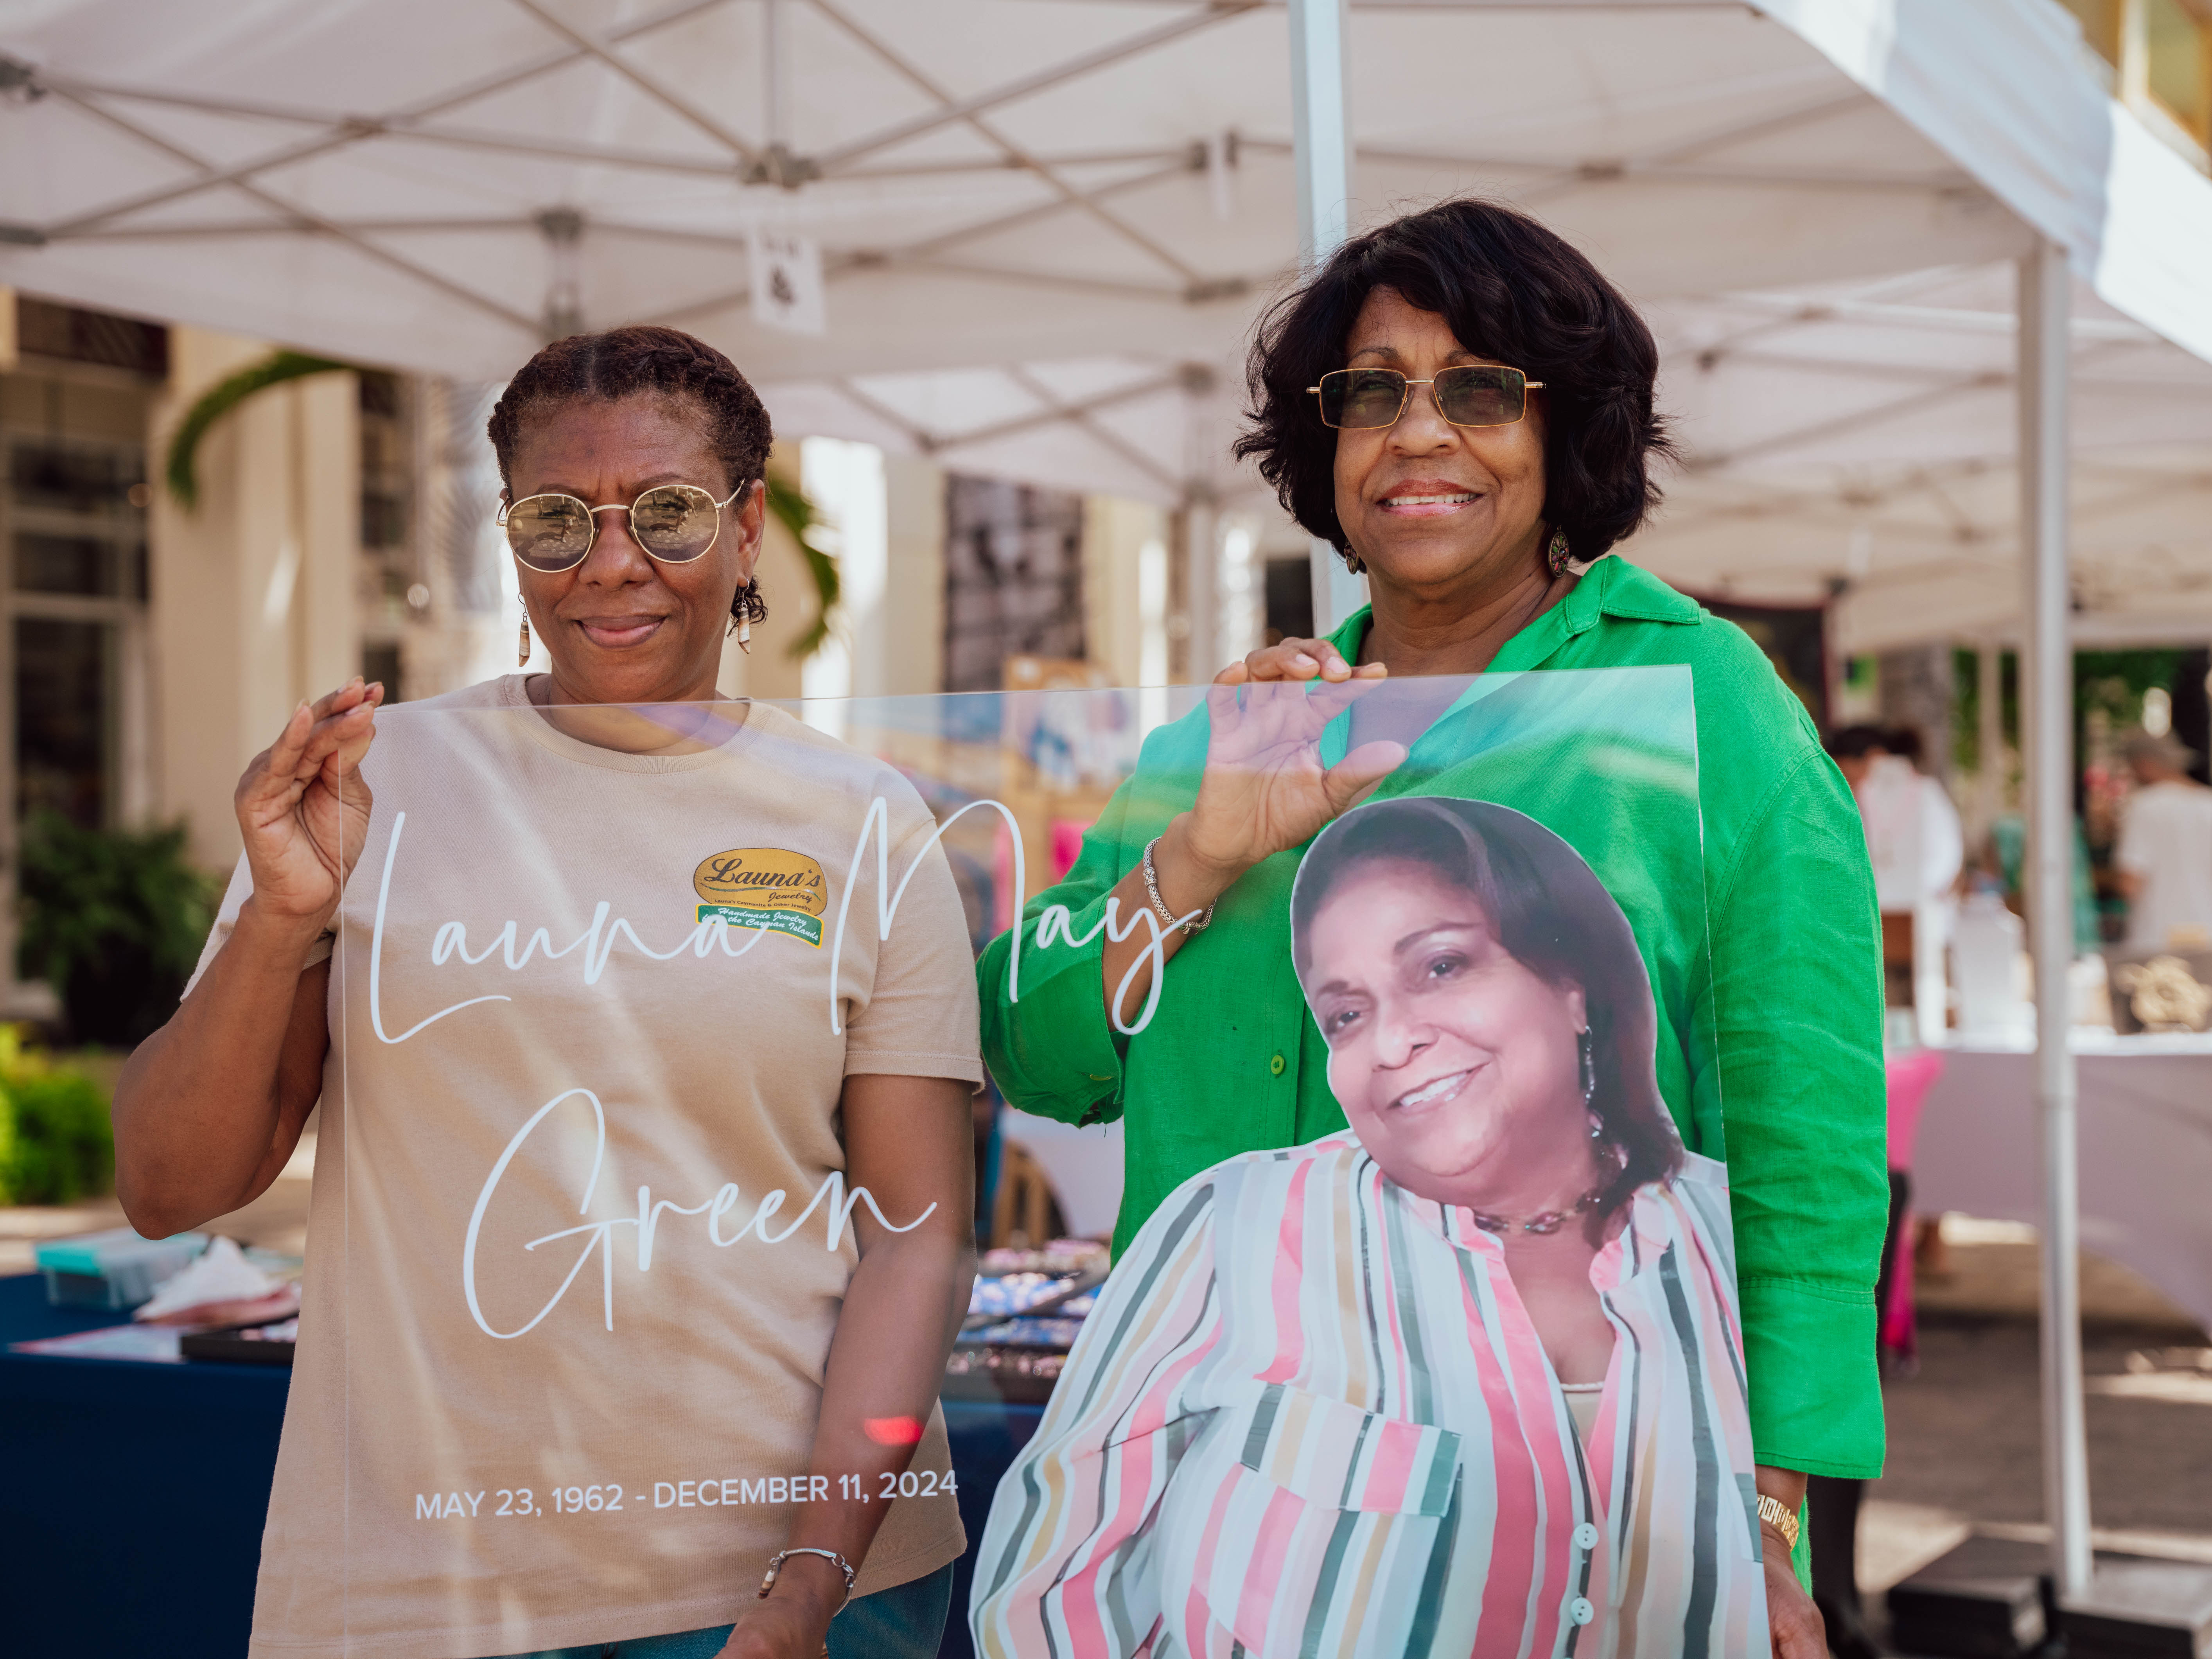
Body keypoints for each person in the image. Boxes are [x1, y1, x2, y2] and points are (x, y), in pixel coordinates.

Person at [975, 198, 1888, 1657]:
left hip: (1576, 1500)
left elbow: (1803, 1152)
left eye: (1478, 389)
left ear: (1565, 429)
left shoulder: (1700, 709)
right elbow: (1038, 1052)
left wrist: (1763, 1521)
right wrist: (1207, 848)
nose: (1418, 431)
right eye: (1373, 393)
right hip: (1232, 1511)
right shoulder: (1236, 734)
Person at [112, 327, 979, 1659]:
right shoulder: (373, 783)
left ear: (748, 531)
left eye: (671, 514)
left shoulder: (864, 821)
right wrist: (285, 911)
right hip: (417, 1585)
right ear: (510, 536)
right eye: (558, 520)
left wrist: (812, 1572)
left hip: (777, 1585)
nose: (612, 564)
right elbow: (171, 1185)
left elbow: (913, 1238)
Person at [972, 798, 1763, 1657]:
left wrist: (1774, 1541)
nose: (1389, 1043)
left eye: (1440, 966)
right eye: (1345, 1015)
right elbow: (1044, 1582)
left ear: (1572, 986)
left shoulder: (1724, 1242)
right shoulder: (1239, 1227)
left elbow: (1772, 1512)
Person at [2113, 729, 2212, 953]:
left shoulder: (2145, 806)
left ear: (2145, 763)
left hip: (2156, 938)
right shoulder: (2209, 803)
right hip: (2208, 936)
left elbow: (2130, 883)